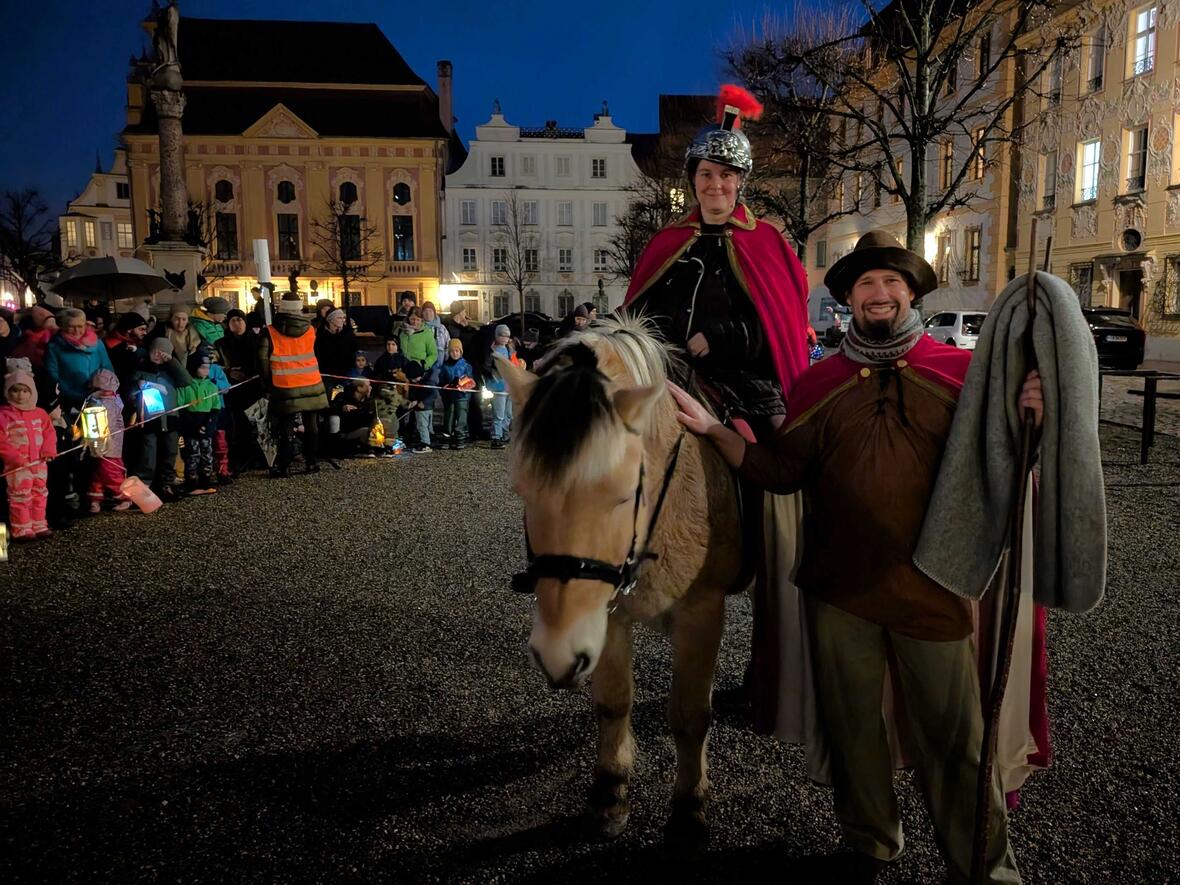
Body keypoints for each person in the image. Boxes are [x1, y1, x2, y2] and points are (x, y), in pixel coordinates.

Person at [668, 230, 1044, 884]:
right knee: (852, 733)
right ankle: (870, 841)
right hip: (838, 591)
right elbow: (780, 469)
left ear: (912, 293)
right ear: (847, 298)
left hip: (933, 592)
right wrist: (713, 430)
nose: (879, 293)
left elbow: (1003, 464)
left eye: (892, 282)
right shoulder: (819, 382)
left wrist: (1030, 415)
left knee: (955, 742)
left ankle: (986, 866)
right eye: (866, 283)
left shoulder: (962, 373)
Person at [622, 86, 809, 440]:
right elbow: (640, 310)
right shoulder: (667, 241)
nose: (715, 184)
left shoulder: (767, 243)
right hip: (670, 372)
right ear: (693, 178)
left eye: (726, 175)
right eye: (706, 174)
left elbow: (781, 322)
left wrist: (721, 337)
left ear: (740, 181)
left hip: (747, 385)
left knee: (780, 455)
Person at [259, 292, 328, 477]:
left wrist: (267, 383)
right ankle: (312, 462)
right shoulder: (311, 329)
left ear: (280, 308)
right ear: (299, 309)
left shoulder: (271, 331)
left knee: (285, 426)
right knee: (311, 425)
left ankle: (284, 465)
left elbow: (262, 360)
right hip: (312, 381)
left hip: (284, 384)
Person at [131, 337, 192, 502]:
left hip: (170, 418)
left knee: (170, 451)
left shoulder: (170, 372)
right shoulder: (140, 369)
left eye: (163, 353)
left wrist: (171, 361)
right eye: (156, 351)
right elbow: (130, 392)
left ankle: (166, 484)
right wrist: (138, 388)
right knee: (147, 454)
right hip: (149, 418)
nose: (158, 355)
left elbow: (186, 381)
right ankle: (144, 488)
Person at [0, 365, 56, 540]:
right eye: (15, 391)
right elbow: (1, 439)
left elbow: (49, 433)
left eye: (24, 391)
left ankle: (39, 524)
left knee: (40, 493)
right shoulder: (4, 415)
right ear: (8, 392)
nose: (20, 395)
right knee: (20, 496)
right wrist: (14, 457)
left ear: (31, 391)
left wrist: (48, 450)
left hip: (39, 462)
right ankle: (21, 528)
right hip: (17, 465)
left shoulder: (40, 413)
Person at [44, 308, 115, 413]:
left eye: (80, 326)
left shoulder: (97, 343)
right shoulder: (54, 346)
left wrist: (107, 388)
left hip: (97, 398)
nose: (77, 331)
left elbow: (107, 368)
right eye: (71, 327)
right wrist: (70, 393)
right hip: (69, 399)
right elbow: (52, 375)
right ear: (63, 327)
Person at [84, 368, 132, 513]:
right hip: (100, 443)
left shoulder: (107, 403)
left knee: (110, 471)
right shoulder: (99, 401)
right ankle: (95, 498)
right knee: (98, 471)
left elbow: (108, 424)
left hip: (109, 445)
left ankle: (124, 496)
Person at [176, 350, 221, 495]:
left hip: (206, 425)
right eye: (202, 367)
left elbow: (215, 409)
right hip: (190, 427)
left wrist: (209, 427)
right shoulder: (185, 386)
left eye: (207, 368)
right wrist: (194, 426)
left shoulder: (211, 386)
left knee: (207, 453)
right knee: (192, 454)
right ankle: (192, 483)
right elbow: (181, 408)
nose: (205, 371)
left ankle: (206, 481)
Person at [443, 303, 486, 442]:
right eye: (463, 311)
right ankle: (457, 431)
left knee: (473, 400)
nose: (465, 314)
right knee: (457, 403)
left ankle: (473, 429)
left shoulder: (465, 327)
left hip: (470, 366)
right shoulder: (451, 327)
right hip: (457, 367)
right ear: (459, 312)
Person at [399, 308, 438, 452]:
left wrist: (423, 365)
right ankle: (402, 433)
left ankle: (421, 436)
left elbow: (433, 354)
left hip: (420, 373)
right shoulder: (402, 332)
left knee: (419, 404)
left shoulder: (427, 334)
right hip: (404, 373)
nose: (414, 322)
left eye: (418, 320)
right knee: (404, 402)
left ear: (422, 321)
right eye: (412, 319)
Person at [484, 324, 517, 449]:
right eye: (501, 335)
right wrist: (493, 374)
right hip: (498, 386)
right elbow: (486, 367)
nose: (504, 338)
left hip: (509, 386)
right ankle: (496, 437)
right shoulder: (492, 351)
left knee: (508, 413)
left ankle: (504, 433)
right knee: (499, 414)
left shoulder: (509, 350)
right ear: (497, 336)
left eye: (506, 336)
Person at [437, 338, 473, 450]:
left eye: (457, 351)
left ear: (461, 352)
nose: (455, 353)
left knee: (461, 417)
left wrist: (462, 384)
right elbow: (441, 380)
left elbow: (470, 380)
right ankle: (447, 438)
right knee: (449, 416)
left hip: (462, 396)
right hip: (449, 396)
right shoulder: (445, 366)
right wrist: (446, 387)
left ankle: (460, 438)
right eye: (452, 351)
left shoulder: (466, 365)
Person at [328, 378, 378, 458]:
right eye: (368, 386)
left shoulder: (368, 400)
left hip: (359, 428)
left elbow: (369, 417)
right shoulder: (343, 396)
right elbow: (330, 409)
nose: (370, 388)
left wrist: (368, 400)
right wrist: (342, 408)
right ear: (359, 388)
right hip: (345, 431)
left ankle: (369, 449)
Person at [314, 307, 357, 382]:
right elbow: (318, 353)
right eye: (339, 318)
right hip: (326, 373)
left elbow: (354, 349)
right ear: (331, 319)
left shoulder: (347, 333)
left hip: (346, 372)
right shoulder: (321, 335)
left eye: (343, 318)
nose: (342, 320)